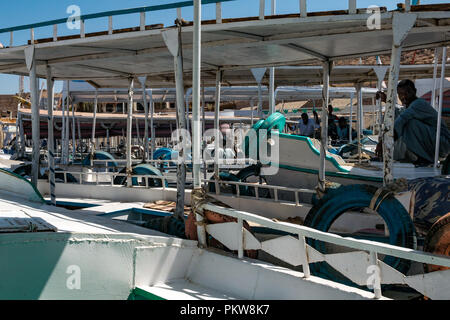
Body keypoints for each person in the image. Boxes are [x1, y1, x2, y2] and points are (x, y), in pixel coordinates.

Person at [376, 79, 450, 165]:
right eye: (401, 94)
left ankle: (425, 159)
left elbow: (401, 120)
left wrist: (383, 143)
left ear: (415, 91)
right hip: (437, 143)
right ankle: (420, 157)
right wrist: (387, 101)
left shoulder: (418, 104)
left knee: (408, 124)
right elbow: (399, 112)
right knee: (402, 121)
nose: (404, 96)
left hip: (443, 144)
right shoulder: (411, 107)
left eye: (407, 92)